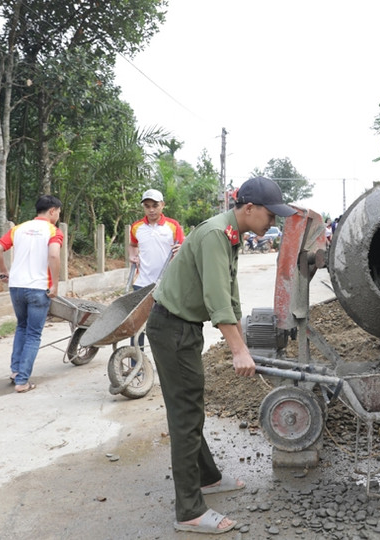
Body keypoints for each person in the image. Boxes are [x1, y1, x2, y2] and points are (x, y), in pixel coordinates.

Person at [146, 176, 296, 534]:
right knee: (185, 415)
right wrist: (238, 351)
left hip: (182, 328)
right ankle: (189, 511)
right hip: (172, 329)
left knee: (191, 405)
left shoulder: (230, 235)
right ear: (248, 209)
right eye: (270, 215)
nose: (272, 222)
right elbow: (216, 301)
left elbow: (229, 292)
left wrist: (243, 338)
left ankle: (208, 477)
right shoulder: (216, 234)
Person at [0, 195, 64, 393]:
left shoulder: (18, 228)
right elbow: (54, 255)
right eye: (58, 212)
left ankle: (15, 371)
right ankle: (22, 381)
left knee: (22, 327)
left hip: (16, 287)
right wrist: (55, 284)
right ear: (52, 211)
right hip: (38, 288)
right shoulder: (53, 231)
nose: (58, 215)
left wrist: (4, 271)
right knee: (33, 334)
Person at [127, 189, 185, 348]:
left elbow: (182, 248)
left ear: (162, 206)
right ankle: (136, 364)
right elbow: (133, 245)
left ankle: (166, 362)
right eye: (147, 206)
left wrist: (180, 249)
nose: (151, 210)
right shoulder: (136, 227)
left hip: (166, 283)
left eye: (155, 205)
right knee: (137, 324)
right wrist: (133, 256)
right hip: (142, 283)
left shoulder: (173, 226)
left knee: (165, 324)